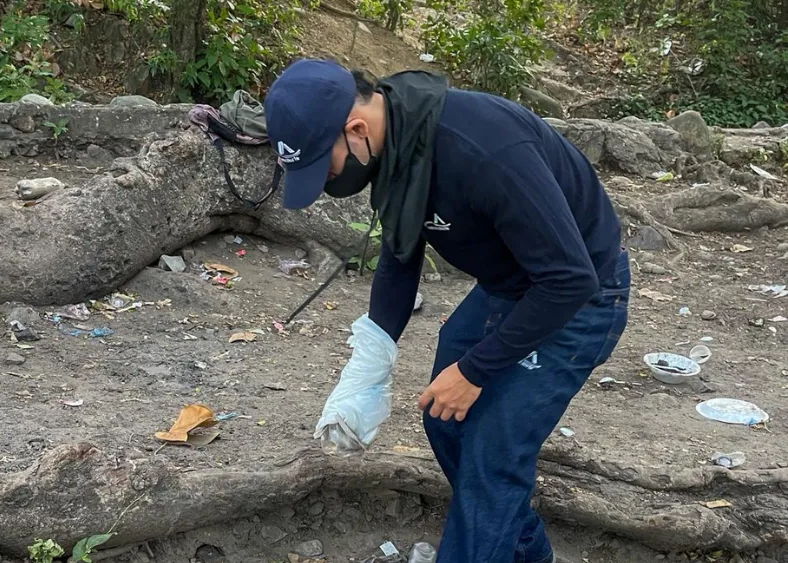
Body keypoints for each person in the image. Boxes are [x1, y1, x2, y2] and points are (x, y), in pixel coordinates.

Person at [263, 58, 630, 563]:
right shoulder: (397, 149)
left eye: (322, 165)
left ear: (355, 129)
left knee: (491, 456)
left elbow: (570, 278)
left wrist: (476, 370)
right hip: (509, 288)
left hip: (579, 299)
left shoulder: (484, 150)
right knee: (444, 418)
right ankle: (523, 552)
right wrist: (366, 369)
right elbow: (398, 257)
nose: (325, 179)